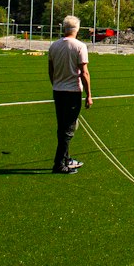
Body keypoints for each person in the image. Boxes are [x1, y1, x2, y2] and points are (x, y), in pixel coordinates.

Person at [47, 15, 93, 174]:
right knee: (68, 129)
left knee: (62, 126)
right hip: (72, 92)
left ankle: (66, 158)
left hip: (58, 91)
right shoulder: (80, 46)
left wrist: (56, 84)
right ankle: (59, 164)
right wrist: (89, 95)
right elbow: (84, 73)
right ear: (77, 29)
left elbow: (50, 70)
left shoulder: (54, 46)